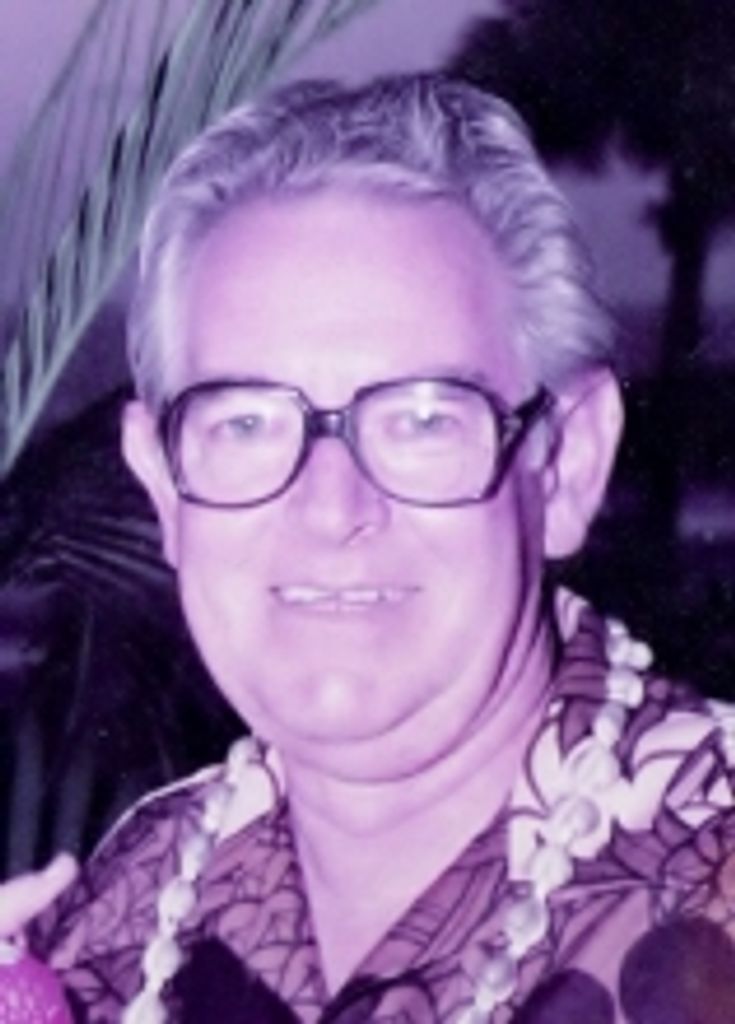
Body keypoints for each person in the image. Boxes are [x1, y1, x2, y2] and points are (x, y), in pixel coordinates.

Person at [2, 73, 735, 1023]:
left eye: (422, 419)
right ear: (163, 487)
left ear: (566, 464)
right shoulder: (115, 930)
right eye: (246, 423)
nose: (329, 506)